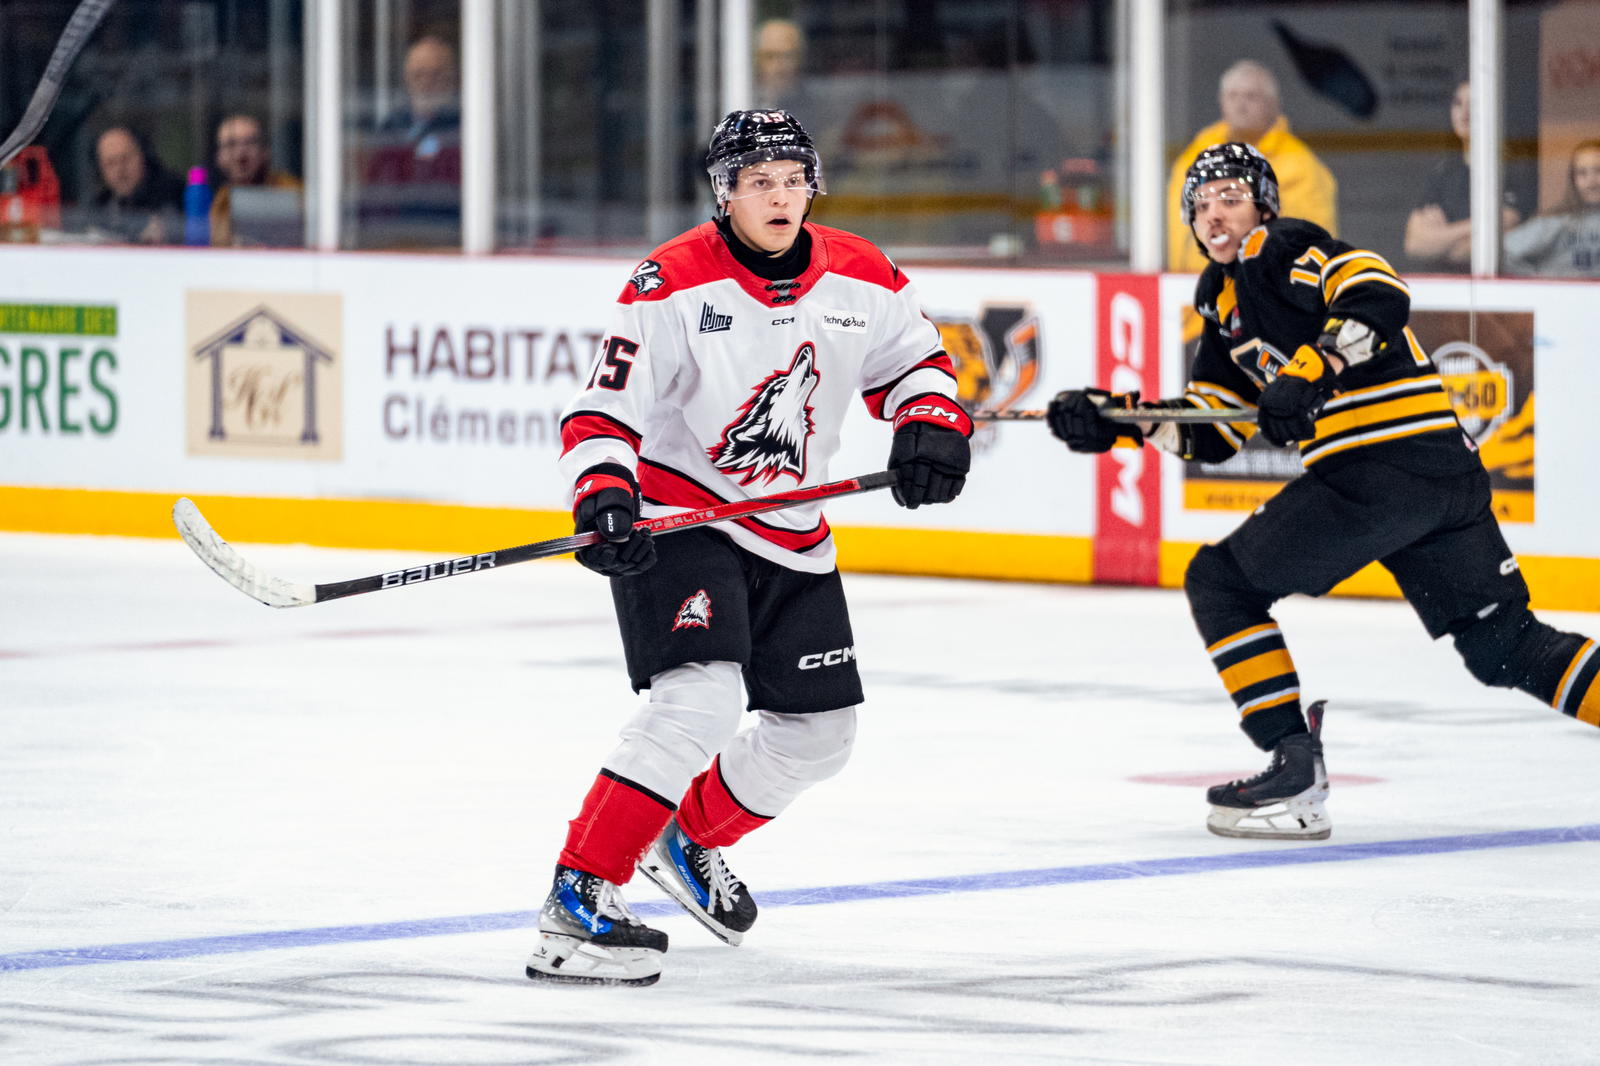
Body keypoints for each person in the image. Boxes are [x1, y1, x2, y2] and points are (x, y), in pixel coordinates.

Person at [526, 109, 973, 986]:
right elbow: (603, 407)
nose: (778, 196)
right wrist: (606, 490)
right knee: (700, 700)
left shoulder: (865, 273)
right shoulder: (669, 281)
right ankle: (577, 899)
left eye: (791, 179)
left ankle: (683, 836)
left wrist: (931, 423)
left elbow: (917, 366)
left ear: (813, 187)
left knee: (820, 735)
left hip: (793, 530)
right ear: (724, 192)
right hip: (681, 516)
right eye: (757, 181)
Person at [1048, 143, 1600, 842]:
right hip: (1440, 479)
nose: (1215, 214)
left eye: (1230, 198)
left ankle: (1292, 761)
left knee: (1221, 583)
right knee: (1505, 647)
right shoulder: (1220, 303)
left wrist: (1312, 366)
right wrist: (1119, 417)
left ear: (1263, 206)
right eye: (1202, 204)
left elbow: (1379, 291)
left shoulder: (1279, 248)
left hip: (1381, 469)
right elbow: (1215, 430)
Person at [1167, 60, 1338, 274]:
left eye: (1251, 96)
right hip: (1194, 288)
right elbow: (1181, 230)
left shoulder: (1300, 164)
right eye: (1233, 96)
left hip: (1270, 290)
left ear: (1273, 104)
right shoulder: (1194, 157)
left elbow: (1310, 240)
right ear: (1222, 102)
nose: (1240, 105)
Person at [1404, 80, 1530, 273]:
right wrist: (1480, 228)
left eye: (1475, 104)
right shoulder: (1443, 170)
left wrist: (1441, 238)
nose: (1464, 113)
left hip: (1499, 287)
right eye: (1457, 103)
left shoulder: (1512, 167)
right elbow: (1414, 244)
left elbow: (1508, 225)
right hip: (1443, 287)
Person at [362, 33, 461, 246]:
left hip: (446, 243)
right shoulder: (391, 126)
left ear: (452, 79)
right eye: (418, 75)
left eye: (435, 75)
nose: (426, 83)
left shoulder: (463, 128)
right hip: (390, 243)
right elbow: (373, 193)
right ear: (407, 79)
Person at [1503, 139, 1600, 277]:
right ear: (1573, 180)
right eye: (1582, 173)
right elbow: (1503, 251)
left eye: (1598, 171)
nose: (1591, 182)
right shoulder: (1555, 222)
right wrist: (1539, 281)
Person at [208, 113, 302, 247]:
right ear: (219, 157)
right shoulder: (219, 202)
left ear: (265, 151)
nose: (240, 154)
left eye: (250, 143)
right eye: (231, 144)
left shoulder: (291, 190)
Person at [87, 125, 184, 244]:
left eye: (126, 159)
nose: (120, 170)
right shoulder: (99, 207)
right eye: (110, 163)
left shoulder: (175, 194)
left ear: (144, 157)